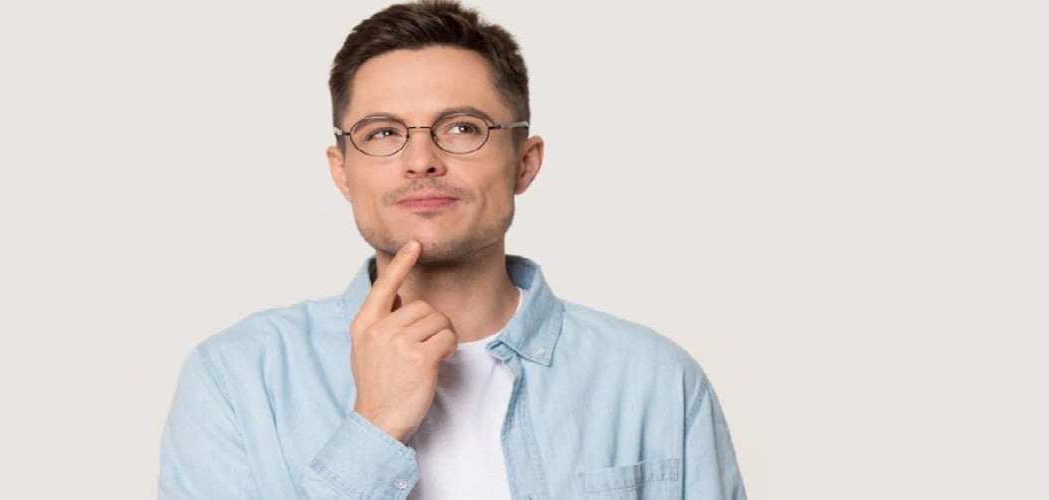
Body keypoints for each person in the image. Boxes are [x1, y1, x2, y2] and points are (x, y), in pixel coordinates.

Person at [158, 1, 747, 498]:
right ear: (343, 171)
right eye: (383, 133)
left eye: (463, 127)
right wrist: (375, 428)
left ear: (525, 161)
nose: (421, 160)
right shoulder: (237, 379)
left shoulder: (654, 381)